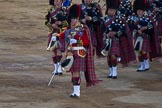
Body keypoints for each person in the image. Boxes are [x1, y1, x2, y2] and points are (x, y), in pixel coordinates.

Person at [58, 4, 99, 98]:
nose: (73, 20)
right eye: (72, 18)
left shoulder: (84, 28)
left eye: (75, 18)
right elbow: (61, 36)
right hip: (70, 53)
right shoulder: (68, 29)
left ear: (78, 18)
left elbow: (87, 41)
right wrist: (57, 37)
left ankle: (77, 92)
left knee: (76, 71)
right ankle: (75, 90)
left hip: (80, 52)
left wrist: (77, 41)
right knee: (73, 72)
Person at [132, 0, 161, 71]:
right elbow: (131, 26)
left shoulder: (148, 18)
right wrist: (137, 30)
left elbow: (151, 27)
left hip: (145, 36)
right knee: (139, 51)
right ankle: (142, 65)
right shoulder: (133, 18)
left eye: (140, 11)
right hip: (137, 36)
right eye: (138, 11)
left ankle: (146, 64)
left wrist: (144, 29)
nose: (139, 12)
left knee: (144, 51)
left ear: (143, 11)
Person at [45, 0, 68, 75]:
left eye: (58, 0)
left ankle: (59, 68)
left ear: (61, 1)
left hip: (61, 32)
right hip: (53, 32)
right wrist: (51, 25)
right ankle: (55, 68)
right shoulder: (50, 10)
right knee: (53, 50)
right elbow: (46, 21)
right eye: (55, 1)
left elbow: (68, 22)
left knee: (59, 49)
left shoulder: (65, 10)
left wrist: (61, 24)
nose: (57, 2)